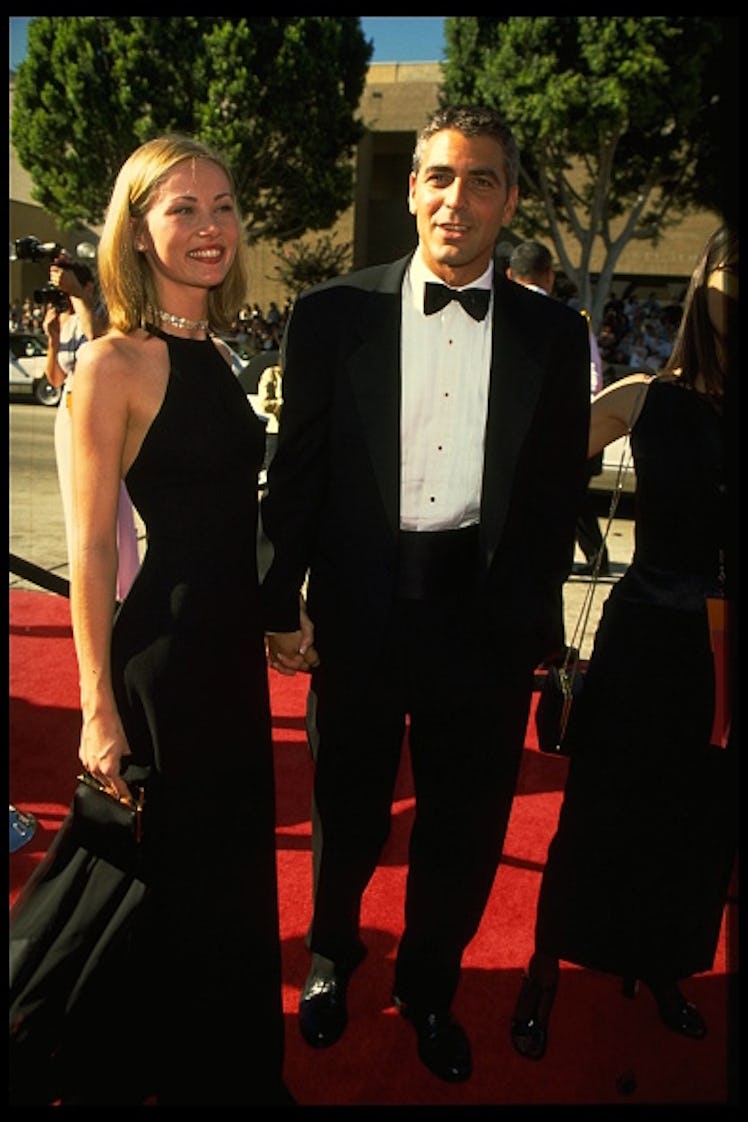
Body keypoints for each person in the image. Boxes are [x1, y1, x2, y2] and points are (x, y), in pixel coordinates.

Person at [260, 104, 590, 1083]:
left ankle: (430, 989)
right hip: (359, 615)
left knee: (466, 825)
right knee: (345, 811)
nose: (457, 198)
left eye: (481, 179)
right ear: (411, 190)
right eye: (439, 176)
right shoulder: (331, 314)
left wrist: (532, 622)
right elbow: (298, 473)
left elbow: (550, 493)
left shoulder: (554, 333)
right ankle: (330, 955)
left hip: (481, 628)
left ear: (509, 198)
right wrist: (281, 600)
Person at [65, 134, 293, 1105]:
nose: (209, 227)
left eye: (223, 206)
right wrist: (93, 709)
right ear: (139, 231)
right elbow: (88, 552)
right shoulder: (114, 363)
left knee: (233, 875)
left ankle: (230, 1069)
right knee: (174, 879)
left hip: (230, 652)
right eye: (181, 209)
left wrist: (278, 619)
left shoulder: (220, 352)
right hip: (162, 656)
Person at [511, 223, 738, 1061]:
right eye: (731, 273)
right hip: (644, 639)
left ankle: (667, 963)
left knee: (699, 823)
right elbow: (532, 475)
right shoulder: (645, 395)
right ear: (701, 283)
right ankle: (543, 965)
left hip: (723, 661)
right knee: (599, 813)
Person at [506, 239, 609, 576]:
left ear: (509, 275)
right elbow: (593, 379)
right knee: (568, 499)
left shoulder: (498, 320)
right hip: (570, 431)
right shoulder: (572, 323)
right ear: (549, 276)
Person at [42, 256, 141, 601]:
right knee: (77, 505)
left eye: (72, 287)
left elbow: (99, 340)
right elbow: (55, 378)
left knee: (110, 504)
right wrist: (53, 339)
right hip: (68, 415)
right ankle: (90, 588)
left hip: (101, 411)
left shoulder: (106, 314)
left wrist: (81, 300)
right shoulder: (65, 320)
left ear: (87, 286)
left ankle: (123, 587)